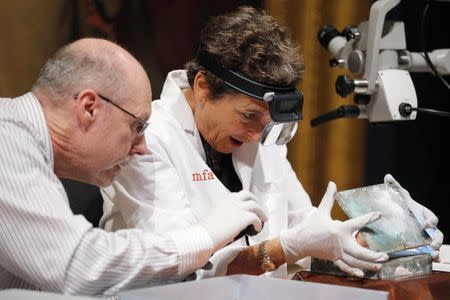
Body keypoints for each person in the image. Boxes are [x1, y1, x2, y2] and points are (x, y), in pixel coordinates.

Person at [102, 7, 442, 279]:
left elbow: (307, 230)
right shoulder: (148, 140)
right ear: (203, 87)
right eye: (248, 116)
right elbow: (181, 266)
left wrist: (393, 234)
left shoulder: (265, 137)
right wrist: (287, 249)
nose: (256, 137)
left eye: (267, 124)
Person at [0, 38, 268, 296]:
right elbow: (79, 266)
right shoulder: (6, 137)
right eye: (137, 126)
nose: (142, 147)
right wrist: (202, 237)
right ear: (89, 107)